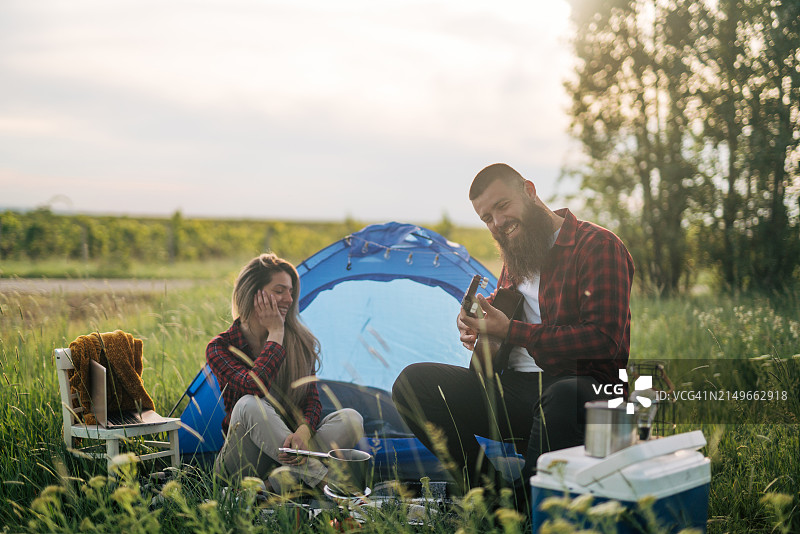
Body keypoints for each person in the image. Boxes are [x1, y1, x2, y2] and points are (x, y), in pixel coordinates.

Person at [392, 163, 634, 499]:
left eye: (502, 206)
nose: (497, 223)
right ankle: (491, 494)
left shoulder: (598, 246)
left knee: (561, 395)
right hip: (518, 390)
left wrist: (513, 331)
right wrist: (475, 321)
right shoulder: (519, 250)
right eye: (487, 218)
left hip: (582, 394)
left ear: (530, 192)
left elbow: (604, 342)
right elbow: (515, 303)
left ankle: (528, 502)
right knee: (413, 384)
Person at [208, 253, 364, 492]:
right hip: (244, 464)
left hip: (293, 451)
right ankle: (326, 483)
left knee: (351, 419)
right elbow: (253, 387)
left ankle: (272, 486)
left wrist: (303, 431)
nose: (289, 299)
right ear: (252, 293)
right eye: (279, 290)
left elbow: (311, 400)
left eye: (291, 292)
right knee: (250, 404)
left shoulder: (301, 342)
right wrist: (276, 335)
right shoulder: (220, 347)